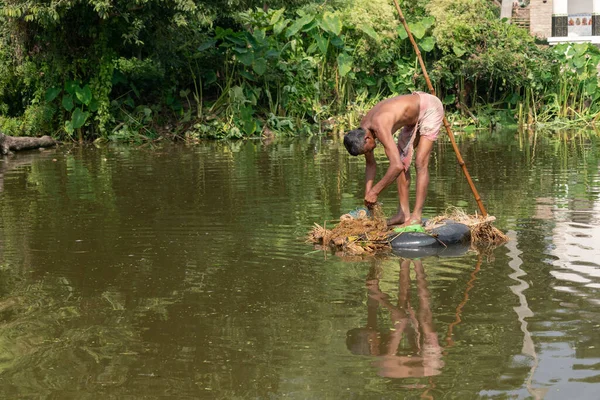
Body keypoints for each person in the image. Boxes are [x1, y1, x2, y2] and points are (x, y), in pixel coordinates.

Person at [343, 92, 444, 227]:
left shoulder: (380, 126)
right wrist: (368, 196)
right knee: (402, 161)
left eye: (368, 150)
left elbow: (396, 166)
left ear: (367, 138)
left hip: (429, 108)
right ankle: (403, 214)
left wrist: (375, 191)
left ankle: (416, 216)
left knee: (420, 162)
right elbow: (371, 164)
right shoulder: (362, 130)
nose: (370, 152)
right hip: (411, 119)